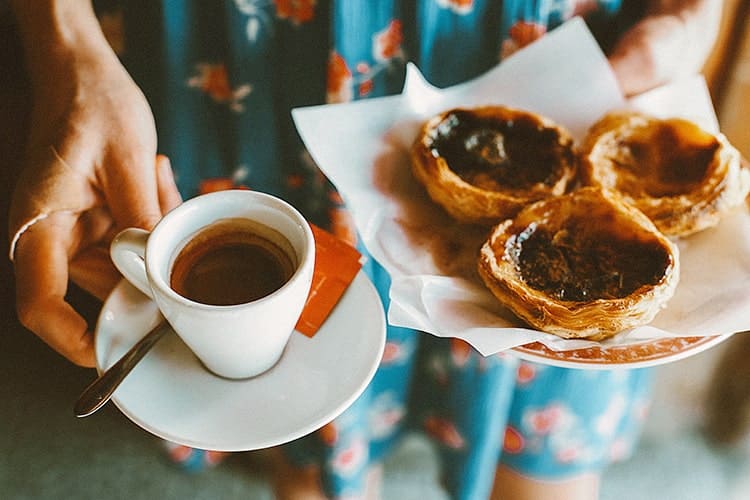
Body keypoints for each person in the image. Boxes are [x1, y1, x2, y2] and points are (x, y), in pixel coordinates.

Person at [6, 1, 722, 499]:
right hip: (249, 48)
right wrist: (67, 48)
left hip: (545, 43)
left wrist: (694, 12)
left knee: (546, 449)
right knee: (307, 430)